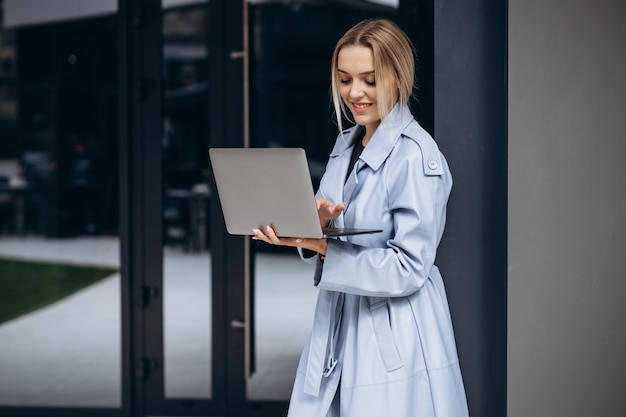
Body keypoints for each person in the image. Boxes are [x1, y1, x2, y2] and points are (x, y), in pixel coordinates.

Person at [252, 18, 469, 417]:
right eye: (345, 79)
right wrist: (308, 227)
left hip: (393, 328)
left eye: (370, 80)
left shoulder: (417, 157)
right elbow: (333, 225)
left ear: (398, 77)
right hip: (342, 314)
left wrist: (322, 246)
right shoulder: (345, 143)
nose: (355, 93)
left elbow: (409, 268)